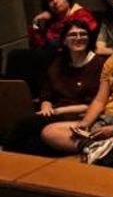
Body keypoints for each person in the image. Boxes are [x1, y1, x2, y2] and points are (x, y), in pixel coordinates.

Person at [40, 11, 113, 166]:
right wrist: (85, 124)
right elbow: (100, 100)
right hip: (107, 118)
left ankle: (99, 149)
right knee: (49, 132)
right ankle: (92, 147)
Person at [3, 20, 105, 154]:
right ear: (64, 41)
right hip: (55, 113)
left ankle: (3, 153)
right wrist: (46, 105)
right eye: (73, 35)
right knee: (30, 142)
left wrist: (59, 111)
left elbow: (94, 103)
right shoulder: (58, 63)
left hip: (80, 115)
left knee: (25, 125)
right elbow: (46, 94)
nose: (78, 38)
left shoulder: (98, 64)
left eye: (83, 34)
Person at [27, 0, 98, 52]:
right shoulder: (51, 23)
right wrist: (36, 22)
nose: (55, 2)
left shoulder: (81, 15)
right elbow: (39, 45)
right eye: (50, 0)